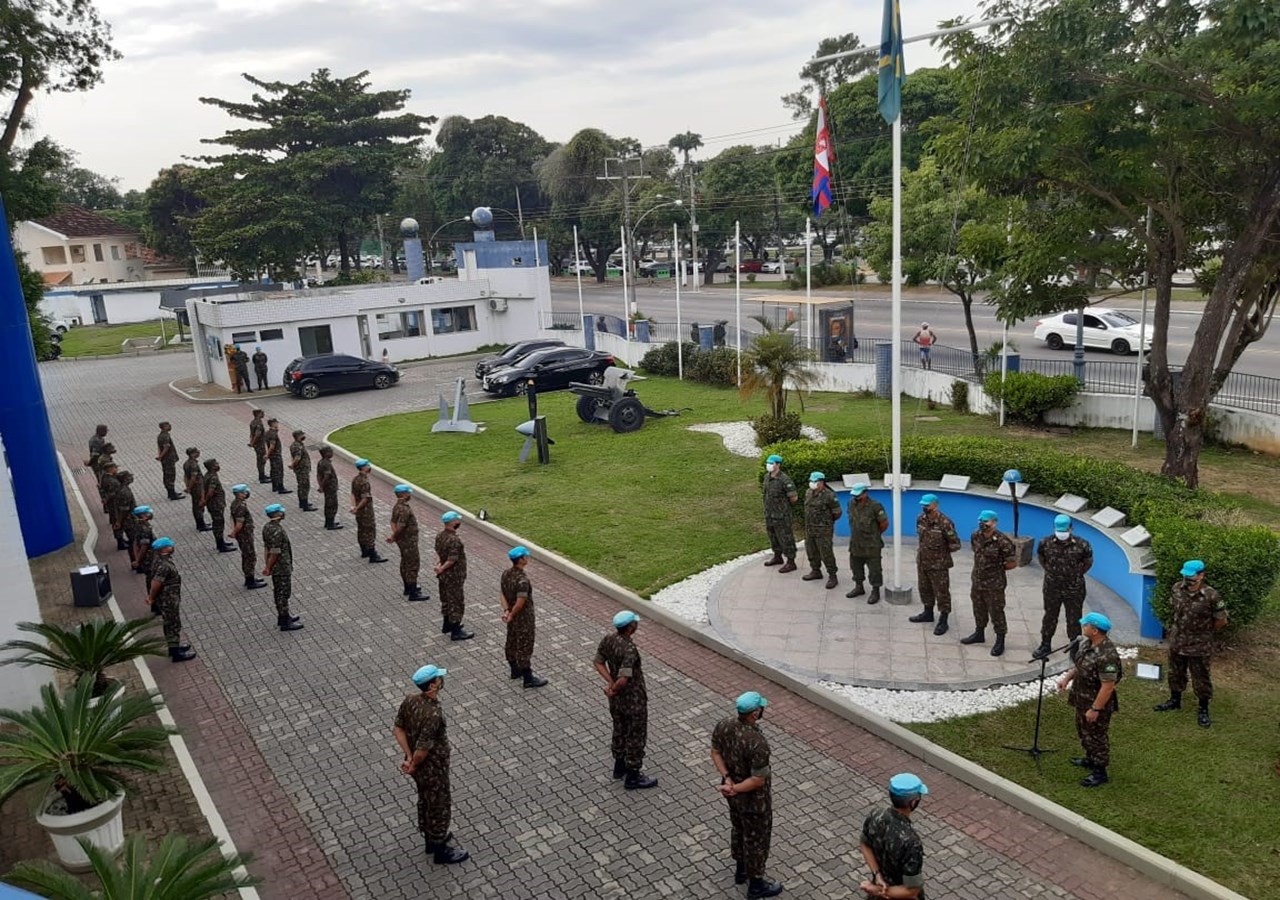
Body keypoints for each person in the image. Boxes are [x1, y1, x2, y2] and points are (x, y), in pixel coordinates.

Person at [393, 664, 469, 865]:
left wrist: (408, 758)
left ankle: (430, 839)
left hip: (420, 768)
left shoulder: (410, 700)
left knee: (425, 801)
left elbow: (398, 729)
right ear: (433, 685)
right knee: (438, 805)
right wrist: (414, 762)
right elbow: (422, 750)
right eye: (438, 678)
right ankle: (440, 849)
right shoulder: (433, 714)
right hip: (433, 768)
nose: (441, 680)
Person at [710, 691, 783, 899]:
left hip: (732, 795)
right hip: (754, 801)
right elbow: (758, 780)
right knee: (757, 839)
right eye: (760, 707)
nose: (762, 710)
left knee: (739, 828)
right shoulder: (758, 743)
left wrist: (727, 779)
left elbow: (715, 752)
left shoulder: (724, 725)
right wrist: (736, 787)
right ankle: (756, 884)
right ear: (754, 713)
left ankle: (741, 870)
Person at [1154, 559, 1228, 727]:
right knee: (1175, 673)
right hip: (1177, 641)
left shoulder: (1211, 596)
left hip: (1199, 644)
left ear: (1201, 575)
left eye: (1191, 576)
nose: (1187, 579)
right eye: (1185, 575)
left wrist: (1203, 632)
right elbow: (1175, 611)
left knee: (1201, 677)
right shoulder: (1176, 588)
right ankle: (1175, 700)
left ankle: (1203, 709)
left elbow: (1221, 621)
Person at [593, 610, 657, 790]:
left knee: (619, 729)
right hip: (633, 700)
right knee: (635, 735)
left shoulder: (608, 639)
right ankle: (633, 776)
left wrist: (609, 682)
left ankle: (619, 767)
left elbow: (598, 662)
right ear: (630, 627)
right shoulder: (629, 649)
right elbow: (624, 679)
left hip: (617, 702)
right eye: (634, 623)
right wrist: (614, 686)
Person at [1056, 612, 1121, 787]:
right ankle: (1090, 758)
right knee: (1083, 730)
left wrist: (1095, 709)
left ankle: (1100, 771)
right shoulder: (1088, 643)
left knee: (1096, 736)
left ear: (1095, 630)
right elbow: (1080, 665)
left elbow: (1108, 686)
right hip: (1081, 698)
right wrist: (1067, 678)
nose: (1083, 627)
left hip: (1095, 702)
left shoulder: (1107, 655)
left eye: (1086, 625)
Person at [1033, 515, 1094, 660]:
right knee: (1049, 616)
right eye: (1059, 529)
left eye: (1064, 529)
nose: (1061, 532)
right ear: (1054, 528)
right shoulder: (1045, 542)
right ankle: (1045, 644)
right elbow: (1042, 559)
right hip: (1051, 587)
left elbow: (1088, 562)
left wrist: (1076, 575)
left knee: (1074, 619)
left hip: (1074, 589)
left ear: (1071, 528)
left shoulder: (1082, 545)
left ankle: (1074, 648)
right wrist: (1051, 572)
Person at [859, 773, 928, 899]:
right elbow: (911, 891)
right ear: (913, 803)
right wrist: (876, 890)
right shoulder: (911, 842)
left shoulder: (876, 814)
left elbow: (864, 844)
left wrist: (877, 875)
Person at [960, 510, 1017, 656]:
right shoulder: (976, 535)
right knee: (978, 608)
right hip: (978, 581)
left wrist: (996, 569)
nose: (982, 524)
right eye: (981, 521)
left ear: (994, 522)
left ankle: (1000, 640)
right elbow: (976, 552)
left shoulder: (1003, 541)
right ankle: (979, 633)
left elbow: (1012, 563)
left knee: (996, 612)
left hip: (994, 584)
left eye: (986, 521)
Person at [909, 494, 961, 635]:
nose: (924, 507)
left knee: (942, 593)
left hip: (939, 565)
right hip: (923, 561)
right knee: (924, 588)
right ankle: (928, 613)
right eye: (923, 505)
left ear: (935, 505)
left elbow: (956, 544)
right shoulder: (920, 519)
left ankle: (943, 620)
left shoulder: (945, 522)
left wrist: (940, 553)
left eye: (927, 505)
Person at [501, 546, 547, 688]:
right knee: (524, 646)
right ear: (521, 559)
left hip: (512, 616)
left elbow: (502, 593)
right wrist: (513, 613)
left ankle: (514, 670)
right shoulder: (523, 580)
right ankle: (528, 678)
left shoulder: (506, 573)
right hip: (523, 618)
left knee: (512, 641)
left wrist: (507, 611)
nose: (528, 558)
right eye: (526, 556)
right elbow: (521, 603)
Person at [146, 537, 196, 661]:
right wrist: (151, 597)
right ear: (164, 549)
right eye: (170, 546)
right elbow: (156, 583)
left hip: (169, 598)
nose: (172, 548)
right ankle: (176, 654)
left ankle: (174, 647)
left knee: (171, 624)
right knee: (173, 624)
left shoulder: (160, 559)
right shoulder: (163, 565)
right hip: (168, 599)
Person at [261, 504, 304, 631]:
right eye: (281, 512)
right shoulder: (277, 531)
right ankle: (285, 622)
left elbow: (266, 548)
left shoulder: (267, 527)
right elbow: (275, 551)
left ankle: (284, 617)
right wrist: (268, 567)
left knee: (280, 592)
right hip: (280, 566)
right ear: (277, 514)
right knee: (283, 593)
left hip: (276, 565)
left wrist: (267, 563)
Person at [846, 483, 889, 604]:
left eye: (858, 495)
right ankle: (859, 587)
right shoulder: (851, 503)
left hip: (872, 545)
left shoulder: (875, 506)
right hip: (855, 543)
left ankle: (875, 591)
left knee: (875, 570)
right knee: (856, 567)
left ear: (865, 493)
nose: (856, 497)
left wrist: (874, 535)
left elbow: (884, 523)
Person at [434, 511, 473, 640]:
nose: (459, 523)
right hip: (454, 576)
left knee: (445, 599)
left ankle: (447, 624)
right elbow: (452, 559)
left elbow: (440, 554)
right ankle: (456, 631)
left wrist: (439, 565)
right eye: (457, 520)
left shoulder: (440, 536)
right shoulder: (454, 540)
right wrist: (442, 567)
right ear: (452, 522)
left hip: (444, 576)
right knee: (456, 602)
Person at [801, 471, 842, 589]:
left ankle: (832, 576)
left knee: (826, 553)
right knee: (811, 551)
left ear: (822, 482)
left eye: (815, 481)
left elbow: (837, 513)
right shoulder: (808, 492)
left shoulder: (829, 495)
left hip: (823, 530)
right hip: (810, 528)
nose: (812, 484)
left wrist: (827, 523)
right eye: (811, 481)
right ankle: (815, 571)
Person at [388, 484, 426, 601]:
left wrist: (396, 537)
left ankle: (408, 587)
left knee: (405, 562)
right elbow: (400, 526)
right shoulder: (404, 509)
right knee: (412, 564)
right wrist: (394, 536)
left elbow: (393, 522)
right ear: (404, 494)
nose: (410, 495)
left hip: (402, 540)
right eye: (408, 493)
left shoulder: (397, 506)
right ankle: (413, 592)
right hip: (408, 541)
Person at [761, 454, 798, 573]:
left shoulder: (784, 480)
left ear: (778, 465)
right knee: (773, 536)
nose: (769, 465)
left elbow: (794, 498)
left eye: (772, 463)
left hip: (782, 516)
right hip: (770, 514)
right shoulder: (767, 477)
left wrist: (782, 508)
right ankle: (778, 557)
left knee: (786, 538)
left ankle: (791, 562)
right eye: (768, 463)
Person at [229, 484, 267, 590]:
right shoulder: (240, 506)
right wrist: (234, 532)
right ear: (239, 494)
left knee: (247, 556)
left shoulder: (235, 503)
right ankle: (250, 581)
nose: (246, 494)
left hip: (243, 534)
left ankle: (250, 578)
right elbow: (239, 523)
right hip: (244, 535)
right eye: (244, 492)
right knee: (249, 556)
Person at [350, 458, 387, 562]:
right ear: (364, 467)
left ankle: (364, 551)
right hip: (366, 511)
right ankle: (373, 555)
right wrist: (357, 508)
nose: (369, 467)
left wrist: (353, 507)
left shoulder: (355, 479)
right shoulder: (364, 481)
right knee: (370, 531)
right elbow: (365, 498)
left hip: (359, 511)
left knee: (361, 530)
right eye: (368, 465)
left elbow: (353, 494)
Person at [203, 458, 236, 553]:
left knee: (219, 524)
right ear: (212, 467)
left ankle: (221, 542)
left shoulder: (208, 475)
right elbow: (210, 492)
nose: (218, 465)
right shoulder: (212, 477)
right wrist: (205, 501)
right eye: (216, 464)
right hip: (216, 505)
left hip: (215, 504)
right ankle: (221, 545)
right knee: (218, 524)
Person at [183, 447, 211, 532]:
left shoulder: (186, 463)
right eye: (196, 452)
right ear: (192, 454)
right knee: (199, 505)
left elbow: (185, 477)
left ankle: (201, 523)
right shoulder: (193, 465)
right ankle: (201, 524)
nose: (198, 453)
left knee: (196, 505)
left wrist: (187, 486)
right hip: (197, 487)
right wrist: (189, 488)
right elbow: (193, 478)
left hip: (194, 487)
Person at [316, 445, 343, 530]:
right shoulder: (326, 463)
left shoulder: (321, 462)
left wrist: (320, 485)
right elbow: (326, 475)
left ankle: (328, 522)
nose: (332, 453)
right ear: (326, 453)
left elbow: (318, 475)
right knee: (332, 505)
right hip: (330, 487)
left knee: (328, 504)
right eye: (330, 451)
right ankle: (330, 524)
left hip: (327, 487)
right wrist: (321, 486)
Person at [289, 429, 316, 511]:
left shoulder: (295, 444)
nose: (303, 436)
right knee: (304, 486)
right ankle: (305, 505)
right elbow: (297, 458)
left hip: (300, 469)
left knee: (301, 486)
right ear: (298, 436)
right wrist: (292, 465)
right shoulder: (298, 446)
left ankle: (302, 502)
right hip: (302, 469)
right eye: (302, 435)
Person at [155, 421, 183, 501]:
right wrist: (160, 456)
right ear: (163, 427)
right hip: (168, 459)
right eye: (168, 425)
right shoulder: (165, 436)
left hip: (166, 459)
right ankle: (172, 494)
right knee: (170, 476)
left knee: (168, 476)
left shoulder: (161, 435)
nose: (170, 426)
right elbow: (166, 447)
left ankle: (171, 492)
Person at [110, 470, 137, 553]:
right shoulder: (124, 492)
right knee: (133, 540)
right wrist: (119, 522)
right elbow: (124, 509)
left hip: (125, 517)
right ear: (125, 479)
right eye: (129, 477)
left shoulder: (121, 488)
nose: (131, 478)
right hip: (128, 519)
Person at [265, 418, 290, 494]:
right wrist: (267, 454)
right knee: (279, 471)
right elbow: (272, 446)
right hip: (276, 455)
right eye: (276, 423)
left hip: (272, 456)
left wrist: (267, 454)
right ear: (273, 424)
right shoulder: (273, 434)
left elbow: (266, 444)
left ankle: (274, 486)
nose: (277, 424)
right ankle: (280, 487)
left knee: (273, 470)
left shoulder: (267, 433)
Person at [130, 506, 155, 577]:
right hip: (148, 559)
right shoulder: (145, 529)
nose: (150, 514)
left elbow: (135, 543)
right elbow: (144, 547)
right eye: (148, 513)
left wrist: (136, 558)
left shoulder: (137, 525)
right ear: (143, 516)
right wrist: (138, 560)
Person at [95, 443, 117, 513]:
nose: (113, 448)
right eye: (111, 448)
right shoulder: (104, 459)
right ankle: (108, 508)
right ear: (107, 450)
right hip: (106, 478)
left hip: (106, 477)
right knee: (108, 493)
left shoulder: (107, 457)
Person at [248, 409, 269, 484]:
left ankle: (262, 474)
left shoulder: (253, 422)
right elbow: (257, 434)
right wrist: (252, 443)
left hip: (257, 444)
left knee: (260, 460)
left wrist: (251, 442)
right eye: (262, 413)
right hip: (259, 444)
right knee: (261, 460)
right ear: (258, 414)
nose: (263, 414)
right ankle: (262, 477)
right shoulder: (259, 423)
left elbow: (251, 434)